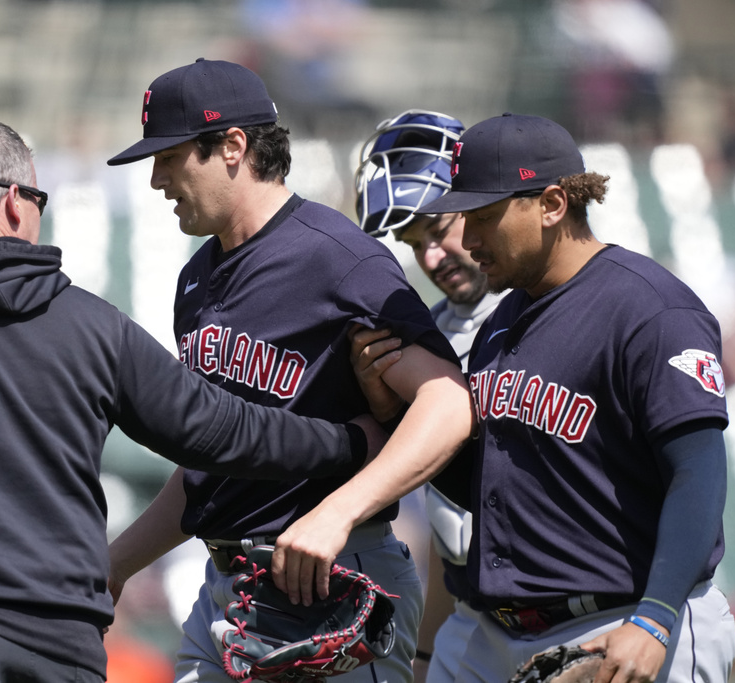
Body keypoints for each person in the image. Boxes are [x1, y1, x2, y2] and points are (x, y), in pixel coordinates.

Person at [0, 115, 383, 683]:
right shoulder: (92, 326)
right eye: (39, 199)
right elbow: (221, 432)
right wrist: (351, 441)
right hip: (62, 641)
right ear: (15, 202)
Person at [104, 59, 475, 683]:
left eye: (169, 157)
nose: (157, 179)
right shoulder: (196, 279)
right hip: (224, 591)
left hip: (333, 588)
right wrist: (117, 563)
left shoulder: (338, 258)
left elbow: (448, 403)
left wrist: (338, 512)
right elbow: (206, 469)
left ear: (232, 146)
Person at [403, 112, 735, 682]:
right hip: (499, 631)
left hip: (624, 622)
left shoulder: (650, 310)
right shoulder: (502, 322)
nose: (468, 239)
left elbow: (699, 473)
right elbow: (489, 486)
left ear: (553, 204)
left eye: (484, 217)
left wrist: (654, 619)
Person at [351, 109, 506, 682]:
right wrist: (425, 655)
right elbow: (453, 532)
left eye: (438, 231)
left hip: (587, 605)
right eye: (414, 244)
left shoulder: (556, 311)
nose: (431, 259)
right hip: (477, 616)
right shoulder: (428, 336)